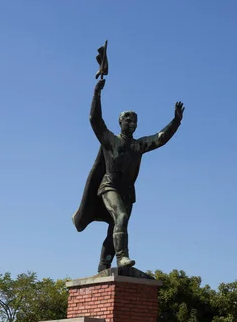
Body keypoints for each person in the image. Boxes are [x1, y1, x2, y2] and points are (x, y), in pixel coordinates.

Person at [72, 78, 185, 271]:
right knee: (121, 217)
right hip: (109, 187)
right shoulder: (110, 140)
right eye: (128, 120)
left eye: (135, 121)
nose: (132, 123)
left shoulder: (138, 145)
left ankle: (104, 264)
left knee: (115, 227)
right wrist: (97, 93)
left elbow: (160, 138)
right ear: (120, 122)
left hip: (127, 193)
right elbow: (95, 120)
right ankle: (122, 256)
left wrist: (175, 121)